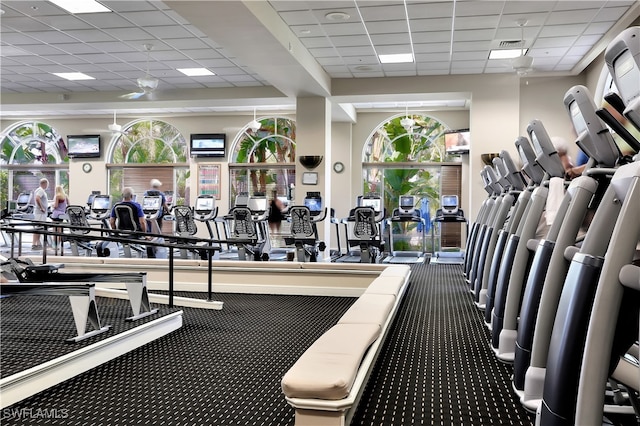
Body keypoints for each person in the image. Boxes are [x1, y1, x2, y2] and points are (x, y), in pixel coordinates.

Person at [31, 177, 49, 250]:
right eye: (47, 184)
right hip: (40, 213)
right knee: (38, 228)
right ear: (44, 184)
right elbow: (37, 198)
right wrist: (42, 207)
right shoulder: (41, 190)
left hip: (41, 213)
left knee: (39, 229)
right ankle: (34, 244)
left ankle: (37, 243)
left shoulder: (39, 190)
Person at [50, 185, 69, 249]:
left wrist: (52, 205)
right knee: (60, 230)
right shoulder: (65, 196)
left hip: (56, 214)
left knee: (55, 230)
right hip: (62, 215)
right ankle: (60, 244)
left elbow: (56, 206)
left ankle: (55, 245)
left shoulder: (57, 196)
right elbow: (69, 205)